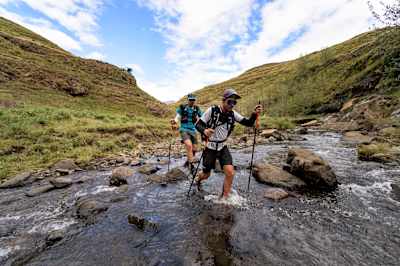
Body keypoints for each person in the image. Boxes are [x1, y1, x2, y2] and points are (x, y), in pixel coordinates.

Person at [195, 88, 262, 199]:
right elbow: (198, 124)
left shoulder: (233, 114)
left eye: (234, 102)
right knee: (206, 175)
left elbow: (248, 123)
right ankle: (198, 179)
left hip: (222, 147)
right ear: (223, 100)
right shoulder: (212, 110)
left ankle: (224, 198)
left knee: (230, 172)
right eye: (230, 101)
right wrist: (205, 131)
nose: (232, 104)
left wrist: (254, 114)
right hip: (210, 147)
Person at [171, 93, 203, 170]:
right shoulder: (182, 107)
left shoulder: (197, 108)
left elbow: (203, 117)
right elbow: (177, 117)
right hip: (184, 129)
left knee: (195, 149)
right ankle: (191, 166)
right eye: (190, 100)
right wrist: (174, 121)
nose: (192, 101)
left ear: (195, 100)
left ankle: (188, 161)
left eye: (193, 100)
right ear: (188, 100)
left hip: (193, 130)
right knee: (189, 146)